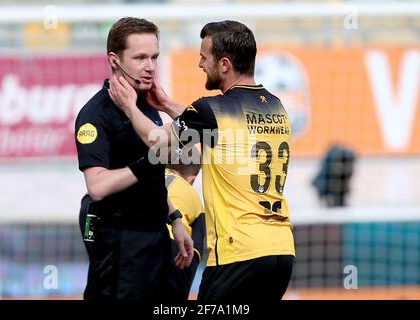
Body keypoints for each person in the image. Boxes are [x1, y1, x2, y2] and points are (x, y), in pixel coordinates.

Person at [109, 20, 295, 301]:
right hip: (281, 251)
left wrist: (129, 107)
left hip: (238, 253)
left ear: (224, 64)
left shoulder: (210, 108)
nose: (199, 64)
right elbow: (217, 130)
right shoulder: (276, 106)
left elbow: (157, 141)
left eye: (203, 57)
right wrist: (169, 105)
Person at [74, 17, 193, 301]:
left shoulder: (148, 103)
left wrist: (175, 218)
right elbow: (98, 186)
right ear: (114, 60)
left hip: (156, 236)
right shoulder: (94, 115)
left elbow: (198, 147)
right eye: (140, 58)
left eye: (154, 57)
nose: (150, 66)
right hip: (119, 243)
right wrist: (150, 162)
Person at [165, 161, 206, 300]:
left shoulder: (150, 177)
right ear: (192, 179)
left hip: (139, 241)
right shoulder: (193, 196)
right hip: (175, 248)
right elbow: (196, 250)